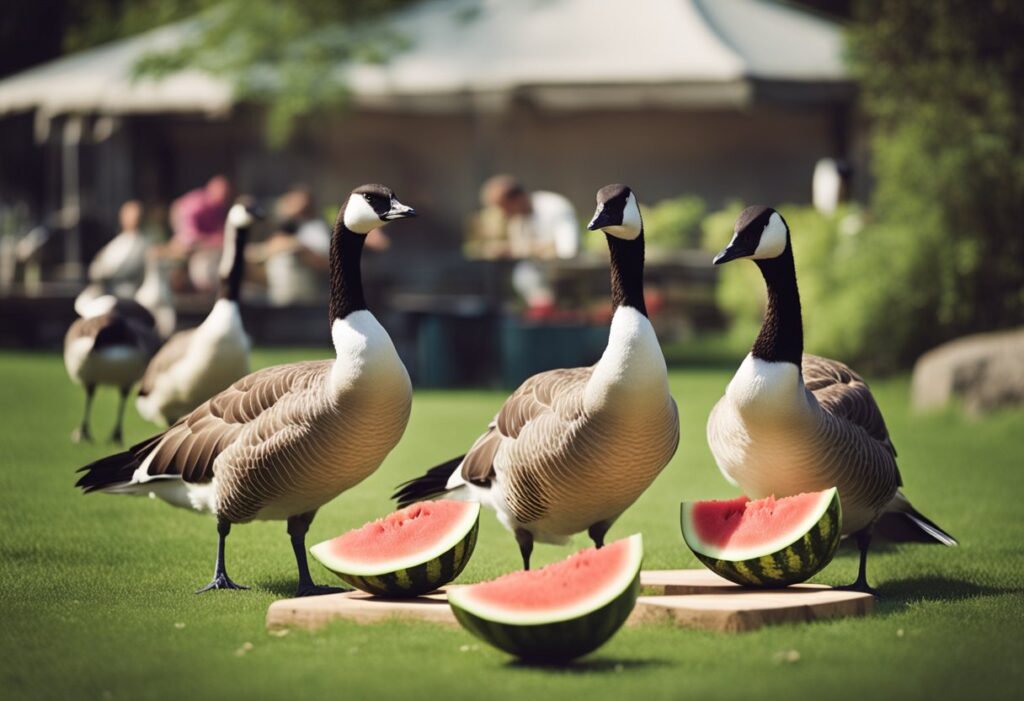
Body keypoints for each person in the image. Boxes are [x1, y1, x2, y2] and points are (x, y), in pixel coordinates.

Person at [474, 175, 581, 260]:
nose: (502, 214)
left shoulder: (555, 207)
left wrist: (519, 249)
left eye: (503, 208)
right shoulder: (518, 219)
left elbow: (567, 252)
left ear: (517, 201)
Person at [257, 186, 331, 306]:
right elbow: (261, 256)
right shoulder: (279, 230)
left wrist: (298, 247)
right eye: (291, 202)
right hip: (278, 299)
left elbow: (327, 262)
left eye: (299, 203)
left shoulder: (314, 228)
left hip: (305, 301)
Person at [86, 200, 150, 297]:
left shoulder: (142, 244)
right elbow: (96, 266)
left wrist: (105, 273)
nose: (130, 218)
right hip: (106, 292)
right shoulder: (116, 242)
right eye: (127, 214)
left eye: (134, 215)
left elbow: (129, 269)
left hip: (127, 294)